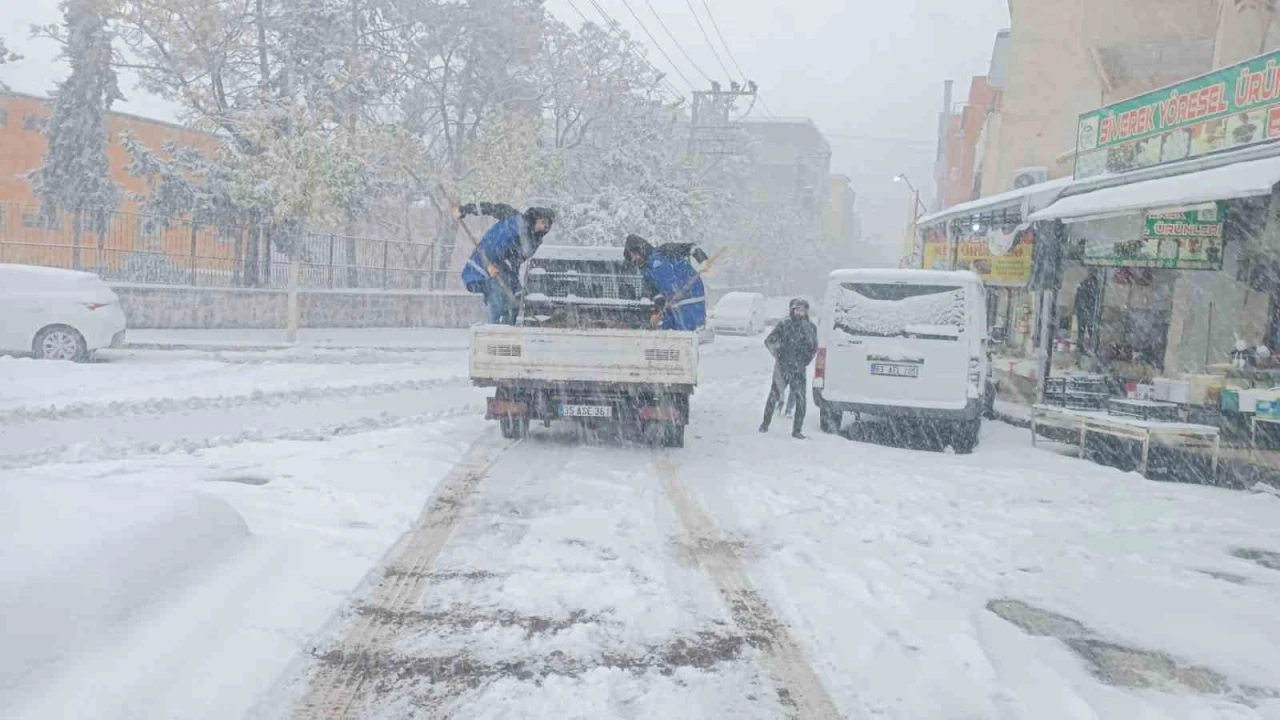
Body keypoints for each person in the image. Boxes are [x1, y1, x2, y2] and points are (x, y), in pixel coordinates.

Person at [460, 203, 556, 325]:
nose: (544, 227)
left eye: (547, 226)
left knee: (514, 302)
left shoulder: (534, 242)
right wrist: (465, 209)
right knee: (497, 298)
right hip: (482, 267)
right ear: (535, 218)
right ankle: (492, 331)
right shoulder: (514, 217)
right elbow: (490, 208)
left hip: (505, 272)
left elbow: (516, 260)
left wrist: (513, 282)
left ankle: (507, 332)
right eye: (543, 222)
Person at [623, 234, 709, 331]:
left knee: (686, 330)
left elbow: (690, 247)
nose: (635, 258)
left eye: (635, 254)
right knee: (665, 329)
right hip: (673, 303)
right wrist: (658, 310)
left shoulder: (664, 251)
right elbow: (654, 293)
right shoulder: (645, 272)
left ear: (641, 249)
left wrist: (703, 260)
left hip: (692, 294)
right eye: (632, 256)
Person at [760, 298, 818, 439]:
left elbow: (813, 348)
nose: (800, 313)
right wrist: (779, 354)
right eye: (797, 310)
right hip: (783, 368)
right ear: (792, 310)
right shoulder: (784, 324)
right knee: (773, 396)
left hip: (799, 370)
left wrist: (804, 361)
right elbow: (769, 341)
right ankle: (765, 424)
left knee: (801, 400)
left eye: (803, 311)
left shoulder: (810, 328)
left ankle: (797, 430)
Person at [1074, 270, 1100, 353]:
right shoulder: (1094, 285)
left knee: (1084, 330)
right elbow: (1079, 298)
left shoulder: (1084, 285)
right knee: (1089, 329)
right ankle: (1092, 348)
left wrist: (1077, 309)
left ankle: (1083, 347)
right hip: (1087, 310)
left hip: (1084, 310)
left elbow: (1078, 298)